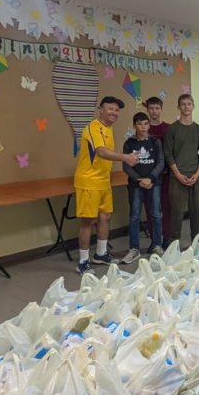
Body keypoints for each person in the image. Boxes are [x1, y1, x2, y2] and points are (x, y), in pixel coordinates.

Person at [74, 96, 138, 275]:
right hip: (88, 182)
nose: (114, 113)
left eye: (117, 110)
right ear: (101, 109)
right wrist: (125, 157)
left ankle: (101, 254)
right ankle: (83, 261)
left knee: (105, 217)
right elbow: (100, 152)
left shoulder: (109, 129)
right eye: (110, 109)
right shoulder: (93, 127)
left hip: (103, 182)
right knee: (88, 221)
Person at [164, 94, 199, 248]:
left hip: (195, 176)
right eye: (183, 104)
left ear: (193, 106)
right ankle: (174, 245)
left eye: (189, 104)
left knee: (195, 212)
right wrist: (177, 174)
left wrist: (197, 174)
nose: (186, 107)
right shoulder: (172, 129)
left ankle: (195, 243)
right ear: (179, 107)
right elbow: (168, 154)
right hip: (177, 177)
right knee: (176, 213)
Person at [121, 112, 165, 264]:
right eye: (140, 124)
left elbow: (160, 162)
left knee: (156, 215)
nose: (143, 127)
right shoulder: (129, 143)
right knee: (134, 216)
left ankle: (156, 245)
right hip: (136, 185)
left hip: (154, 183)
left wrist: (150, 178)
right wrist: (139, 179)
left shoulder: (155, 142)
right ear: (135, 126)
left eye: (146, 123)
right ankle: (134, 249)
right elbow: (126, 166)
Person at [144, 96, 171, 242]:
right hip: (149, 176)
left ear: (161, 109)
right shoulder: (142, 128)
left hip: (166, 175)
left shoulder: (168, 128)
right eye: (151, 108)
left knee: (166, 207)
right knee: (151, 209)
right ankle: (155, 241)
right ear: (147, 109)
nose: (154, 111)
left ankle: (167, 238)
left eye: (157, 108)